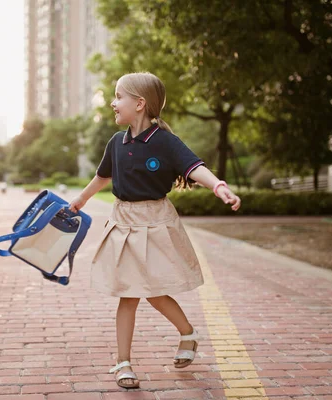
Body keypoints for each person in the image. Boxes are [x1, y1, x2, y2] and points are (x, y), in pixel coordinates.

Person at [69, 72, 241, 389]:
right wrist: (80, 200)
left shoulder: (165, 141)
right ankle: (124, 363)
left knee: (154, 291)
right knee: (128, 293)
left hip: (157, 220)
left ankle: (187, 332)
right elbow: (102, 177)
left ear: (139, 103)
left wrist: (218, 186)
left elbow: (193, 168)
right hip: (123, 222)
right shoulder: (116, 143)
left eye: (118, 96)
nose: (112, 102)